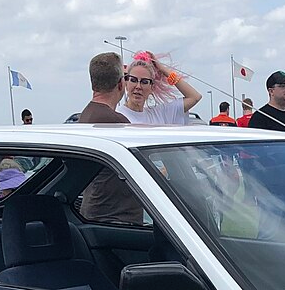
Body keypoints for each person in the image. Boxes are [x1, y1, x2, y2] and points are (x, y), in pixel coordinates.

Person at [78, 52, 145, 226]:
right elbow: (140, 172)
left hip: (95, 216)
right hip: (117, 222)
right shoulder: (116, 124)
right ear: (121, 84)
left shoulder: (86, 116)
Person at [117, 51, 203, 125]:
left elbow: (194, 97)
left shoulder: (159, 114)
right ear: (126, 83)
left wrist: (162, 68)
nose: (138, 86)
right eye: (133, 80)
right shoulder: (117, 116)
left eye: (144, 82)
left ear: (152, 87)